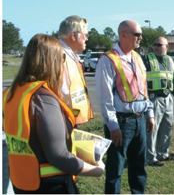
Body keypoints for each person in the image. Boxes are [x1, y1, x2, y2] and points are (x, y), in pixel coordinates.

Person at [2, 34, 104, 194]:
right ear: (52, 61)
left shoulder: (11, 93)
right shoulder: (43, 98)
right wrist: (95, 170)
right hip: (51, 186)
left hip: (23, 182)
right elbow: (59, 156)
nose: (64, 64)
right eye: (62, 58)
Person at [95, 20, 155, 194]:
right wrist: (113, 126)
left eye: (140, 34)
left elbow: (143, 88)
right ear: (123, 35)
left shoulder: (136, 57)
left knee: (138, 167)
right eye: (137, 34)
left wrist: (149, 113)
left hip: (140, 120)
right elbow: (105, 98)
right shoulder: (108, 60)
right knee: (116, 169)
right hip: (121, 123)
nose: (140, 38)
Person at [142, 37, 174, 167]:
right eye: (155, 45)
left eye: (159, 45)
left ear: (167, 46)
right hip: (154, 98)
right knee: (152, 129)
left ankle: (163, 153)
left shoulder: (170, 60)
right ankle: (150, 157)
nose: (156, 47)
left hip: (168, 98)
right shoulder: (147, 59)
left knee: (167, 127)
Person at [58, 15, 94, 124]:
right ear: (74, 35)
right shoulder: (58, 56)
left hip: (71, 119)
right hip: (63, 120)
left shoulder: (72, 56)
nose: (87, 39)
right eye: (85, 35)